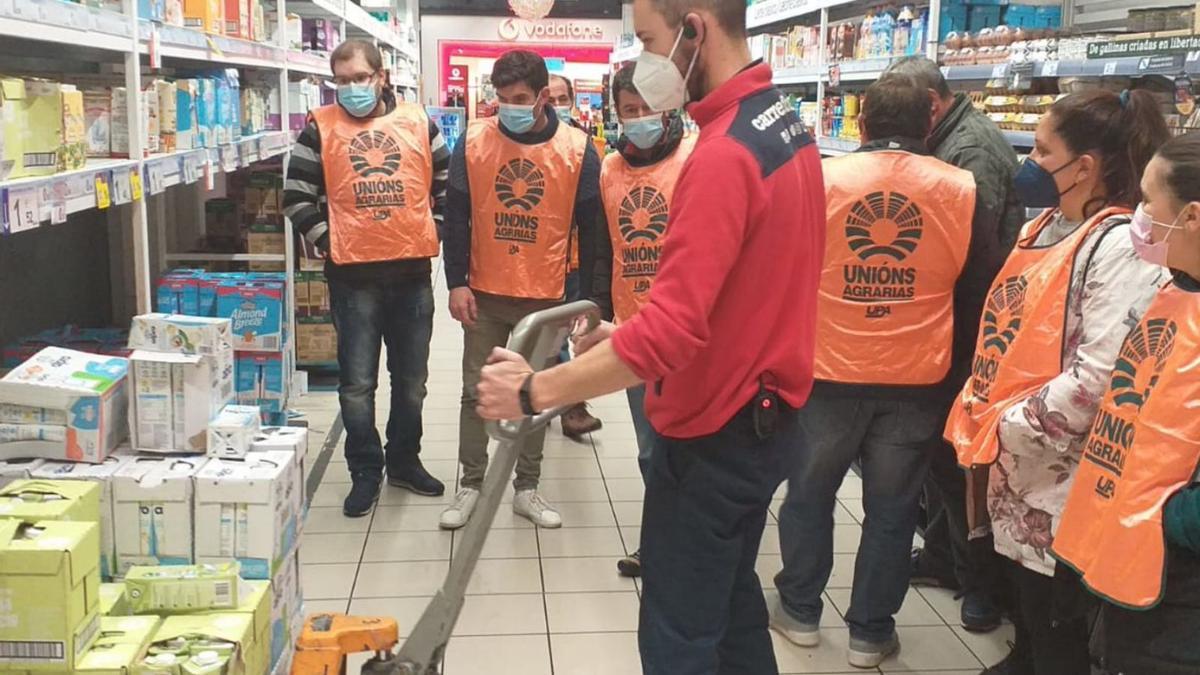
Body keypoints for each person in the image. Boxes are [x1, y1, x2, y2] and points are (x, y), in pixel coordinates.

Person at [474, 0, 826, 671]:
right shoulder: (783, 123)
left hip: (714, 434)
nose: (643, 62)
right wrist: (621, 330)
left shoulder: (723, 154)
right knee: (732, 609)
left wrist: (532, 389)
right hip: (769, 417)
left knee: (678, 632)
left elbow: (670, 337)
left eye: (648, 40)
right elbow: (746, 286)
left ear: (694, 30)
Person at [943, 89, 1170, 675]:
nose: (1028, 162)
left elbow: (1099, 379)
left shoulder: (1120, 245)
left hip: (1060, 473)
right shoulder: (1046, 222)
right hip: (1014, 465)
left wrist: (1006, 424)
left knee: (1056, 620)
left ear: (1085, 167)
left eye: (1041, 150)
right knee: (1026, 601)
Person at [770, 75, 977, 669]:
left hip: (829, 369)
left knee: (809, 494)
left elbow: (786, 269)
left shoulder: (822, 180)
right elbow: (973, 281)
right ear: (930, 124)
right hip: (917, 376)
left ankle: (801, 612)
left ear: (861, 123)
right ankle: (870, 632)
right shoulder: (959, 187)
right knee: (892, 510)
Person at [1051, 131, 1200, 675]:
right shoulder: (1177, 288)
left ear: (1191, 218)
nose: (1137, 214)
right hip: (1134, 570)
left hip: (1179, 593)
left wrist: (1164, 515)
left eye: (1147, 199)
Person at [885, 55, 1025, 632]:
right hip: (948, 327)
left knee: (961, 464)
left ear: (931, 107)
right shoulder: (947, 140)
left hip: (969, 333)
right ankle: (945, 558)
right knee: (942, 460)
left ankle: (980, 586)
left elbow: (973, 257)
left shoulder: (970, 153)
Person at [283, 39, 449, 518]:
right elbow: (296, 195)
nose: (352, 88)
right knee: (357, 383)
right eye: (343, 80)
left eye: (360, 77)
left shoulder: (418, 122)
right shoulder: (320, 128)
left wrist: (431, 228)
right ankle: (364, 471)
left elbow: (445, 182)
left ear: (381, 77)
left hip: (412, 274)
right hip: (352, 278)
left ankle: (403, 461)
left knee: (412, 380)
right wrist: (329, 239)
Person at [439, 49, 602, 530]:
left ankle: (526, 488)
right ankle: (470, 483)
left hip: (547, 294)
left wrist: (590, 302)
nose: (509, 106)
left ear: (544, 97)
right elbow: (457, 217)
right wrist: (455, 282)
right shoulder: (473, 141)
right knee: (476, 392)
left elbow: (592, 232)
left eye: (521, 98)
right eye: (502, 97)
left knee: (537, 394)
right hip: (485, 292)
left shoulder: (577, 148)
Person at [589, 64, 696, 579]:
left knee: (697, 450)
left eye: (647, 109)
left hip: (694, 332)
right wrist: (596, 310)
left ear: (671, 107)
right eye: (628, 111)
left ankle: (697, 542)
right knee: (651, 450)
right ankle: (660, 546)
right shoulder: (609, 168)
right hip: (634, 328)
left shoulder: (698, 159)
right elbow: (603, 244)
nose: (638, 120)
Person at [547, 71, 604, 440]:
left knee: (574, 332)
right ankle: (570, 405)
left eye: (561, 98)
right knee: (551, 334)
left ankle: (569, 401)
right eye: (548, 99)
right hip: (539, 261)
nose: (556, 107)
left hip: (578, 259)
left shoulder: (585, 147)